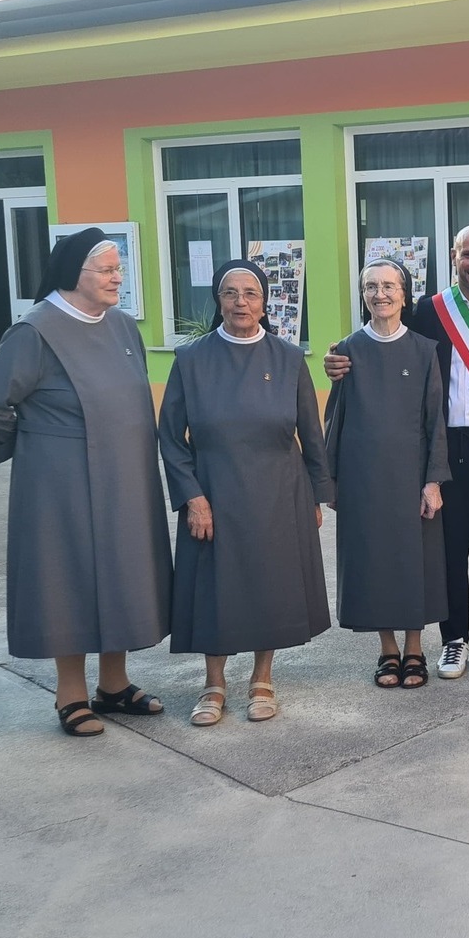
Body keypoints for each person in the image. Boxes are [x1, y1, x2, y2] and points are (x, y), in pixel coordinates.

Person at [0, 228, 172, 736]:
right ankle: (71, 693)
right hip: (60, 485)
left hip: (125, 476)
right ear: (71, 274)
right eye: (105, 270)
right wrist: (36, 448)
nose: (116, 278)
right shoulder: (36, 331)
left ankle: (115, 684)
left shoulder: (123, 327)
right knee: (68, 578)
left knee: (121, 572)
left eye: (117, 269)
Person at [324, 225, 469, 681]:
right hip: (444, 448)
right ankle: (454, 640)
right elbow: (389, 341)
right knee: (447, 552)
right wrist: (338, 361)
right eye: (468, 255)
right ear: (454, 257)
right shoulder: (431, 311)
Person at [159, 260, 334, 726]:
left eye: (251, 293)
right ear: (218, 302)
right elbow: (171, 437)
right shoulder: (191, 359)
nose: (241, 302)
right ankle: (214, 683)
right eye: (231, 294)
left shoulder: (288, 357)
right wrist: (192, 498)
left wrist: (317, 493)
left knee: (269, 584)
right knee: (215, 589)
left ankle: (262, 678)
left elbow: (310, 433)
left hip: (280, 490)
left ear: (264, 302)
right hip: (214, 492)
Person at [324, 259, 448, 688]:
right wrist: (331, 481)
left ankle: (415, 648)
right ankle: (388, 651)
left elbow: (436, 421)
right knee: (375, 562)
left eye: (389, 286)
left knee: (414, 563)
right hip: (362, 479)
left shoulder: (424, 350)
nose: (381, 293)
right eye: (371, 286)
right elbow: (333, 422)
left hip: (411, 477)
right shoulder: (345, 351)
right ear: (362, 294)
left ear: (405, 294)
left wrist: (433, 480)